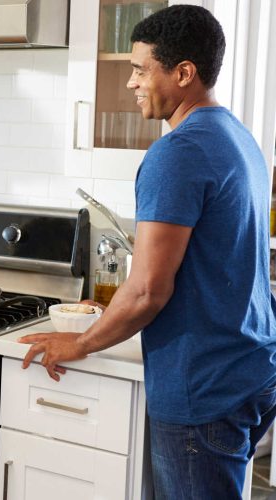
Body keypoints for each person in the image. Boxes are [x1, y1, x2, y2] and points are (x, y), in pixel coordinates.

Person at [18, 6, 276, 498]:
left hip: (203, 382)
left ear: (183, 73)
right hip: (251, 366)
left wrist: (80, 343)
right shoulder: (236, 135)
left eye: (141, 69)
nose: (132, 82)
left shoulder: (177, 152)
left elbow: (148, 291)